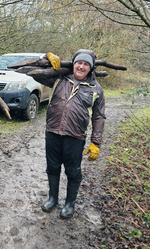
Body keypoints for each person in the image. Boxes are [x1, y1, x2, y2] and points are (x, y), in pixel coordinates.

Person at [33, 49, 106, 219]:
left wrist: (96, 142)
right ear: (73, 64)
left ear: (91, 68)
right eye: (79, 63)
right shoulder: (59, 79)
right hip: (52, 132)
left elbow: (99, 116)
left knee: (73, 171)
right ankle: (52, 198)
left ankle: (69, 204)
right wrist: (46, 58)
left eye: (86, 64)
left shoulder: (96, 89)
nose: (81, 66)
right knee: (52, 167)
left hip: (75, 136)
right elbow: (37, 74)